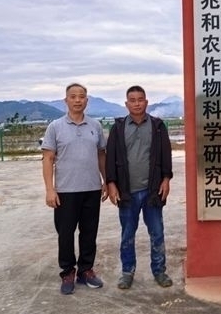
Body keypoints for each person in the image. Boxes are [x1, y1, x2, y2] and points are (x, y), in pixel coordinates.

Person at [41, 83, 108, 295]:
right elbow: (47, 158)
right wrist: (50, 190)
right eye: (73, 96)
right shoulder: (55, 127)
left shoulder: (95, 126)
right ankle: (68, 272)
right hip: (65, 191)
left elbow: (101, 155)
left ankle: (86, 270)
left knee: (89, 232)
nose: (77, 100)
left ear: (87, 100)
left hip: (91, 189)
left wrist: (106, 180)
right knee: (65, 234)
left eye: (81, 96)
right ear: (66, 100)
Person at [106, 85, 173, 289]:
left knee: (157, 233)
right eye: (132, 100)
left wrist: (166, 179)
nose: (137, 104)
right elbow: (110, 158)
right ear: (126, 104)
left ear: (146, 102)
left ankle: (159, 271)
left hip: (152, 190)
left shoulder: (157, 126)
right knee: (127, 234)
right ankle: (127, 272)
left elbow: (166, 154)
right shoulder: (118, 128)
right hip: (127, 192)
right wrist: (111, 184)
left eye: (140, 99)